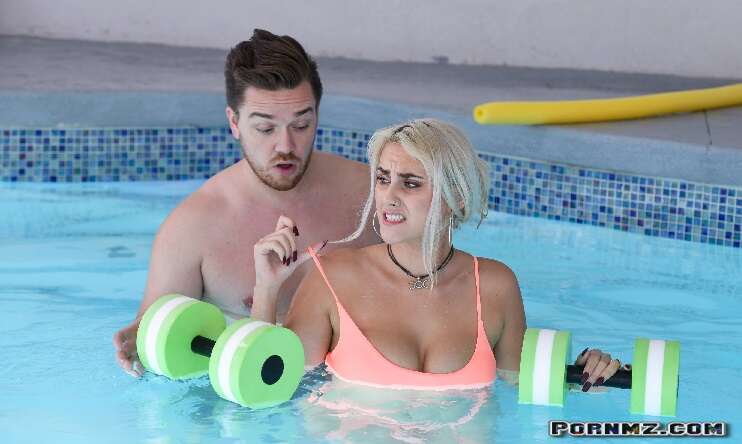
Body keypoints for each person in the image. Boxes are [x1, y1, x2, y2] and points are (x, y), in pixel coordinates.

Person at [252, 118, 619, 390]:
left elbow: (521, 390)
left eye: (410, 183)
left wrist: (586, 374)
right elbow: (266, 385)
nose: (389, 196)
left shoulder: (494, 286)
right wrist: (267, 289)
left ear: (455, 197)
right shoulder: (333, 277)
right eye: (383, 178)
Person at [113, 29, 379, 377]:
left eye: (301, 124)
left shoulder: (372, 196)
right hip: (243, 395)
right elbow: (160, 337)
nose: (286, 145)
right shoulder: (193, 227)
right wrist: (142, 342)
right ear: (234, 122)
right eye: (265, 129)